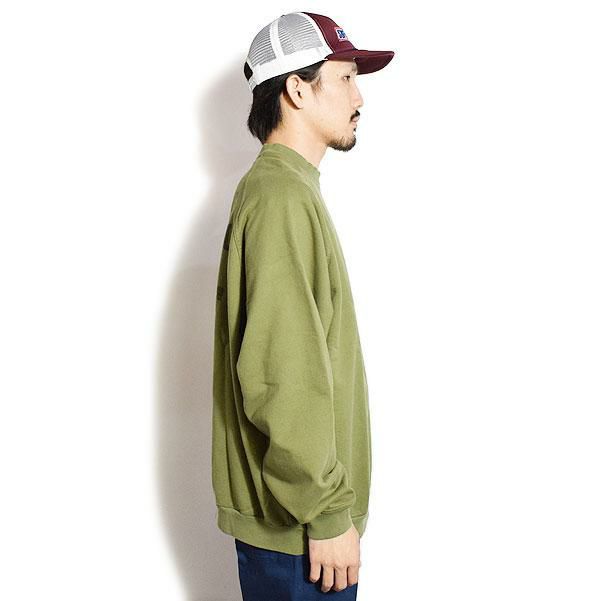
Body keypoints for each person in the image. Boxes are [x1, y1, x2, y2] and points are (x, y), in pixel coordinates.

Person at [211, 11, 394, 599]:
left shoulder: (287, 190)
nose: (359, 97)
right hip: (300, 532)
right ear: (296, 88)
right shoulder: (281, 198)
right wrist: (327, 511)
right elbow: (281, 376)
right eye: (345, 78)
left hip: (300, 528)